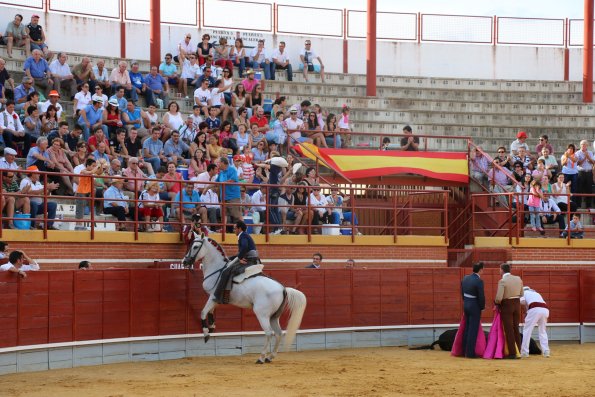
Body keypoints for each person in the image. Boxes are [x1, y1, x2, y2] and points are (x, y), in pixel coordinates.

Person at [213, 220, 259, 304]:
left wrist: (239, 258)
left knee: (226, 271)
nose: (234, 230)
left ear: (239, 229)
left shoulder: (243, 236)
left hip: (249, 260)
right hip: (250, 258)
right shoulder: (244, 235)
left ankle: (222, 296)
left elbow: (244, 247)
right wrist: (229, 258)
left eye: (235, 228)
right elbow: (241, 252)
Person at [494, 263, 524, 359]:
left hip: (507, 305)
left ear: (502, 270)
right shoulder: (518, 279)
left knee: (509, 329)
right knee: (516, 327)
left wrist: (496, 303)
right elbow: (521, 293)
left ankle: (512, 353)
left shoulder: (502, 281)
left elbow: (499, 298)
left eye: (499, 269)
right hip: (517, 304)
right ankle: (518, 350)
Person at [460, 262, 485, 358]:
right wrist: (482, 307)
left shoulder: (465, 278)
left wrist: (466, 301)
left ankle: (464, 350)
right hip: (474, 306)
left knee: (466, 328)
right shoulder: (479, 281)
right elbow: (481, 297)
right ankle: (470, 353)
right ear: (480, 270)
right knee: (473, 330)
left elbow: (462, 293)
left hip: (466, 304)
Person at [520, 286, 550, 358]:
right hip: (545, 310)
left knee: (527, 330)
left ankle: (524, 352)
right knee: (543, 331)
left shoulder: (523, 293)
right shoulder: (536, 293)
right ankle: (546, 351)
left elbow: (522, 302)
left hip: (534, 309)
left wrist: (526, 312)